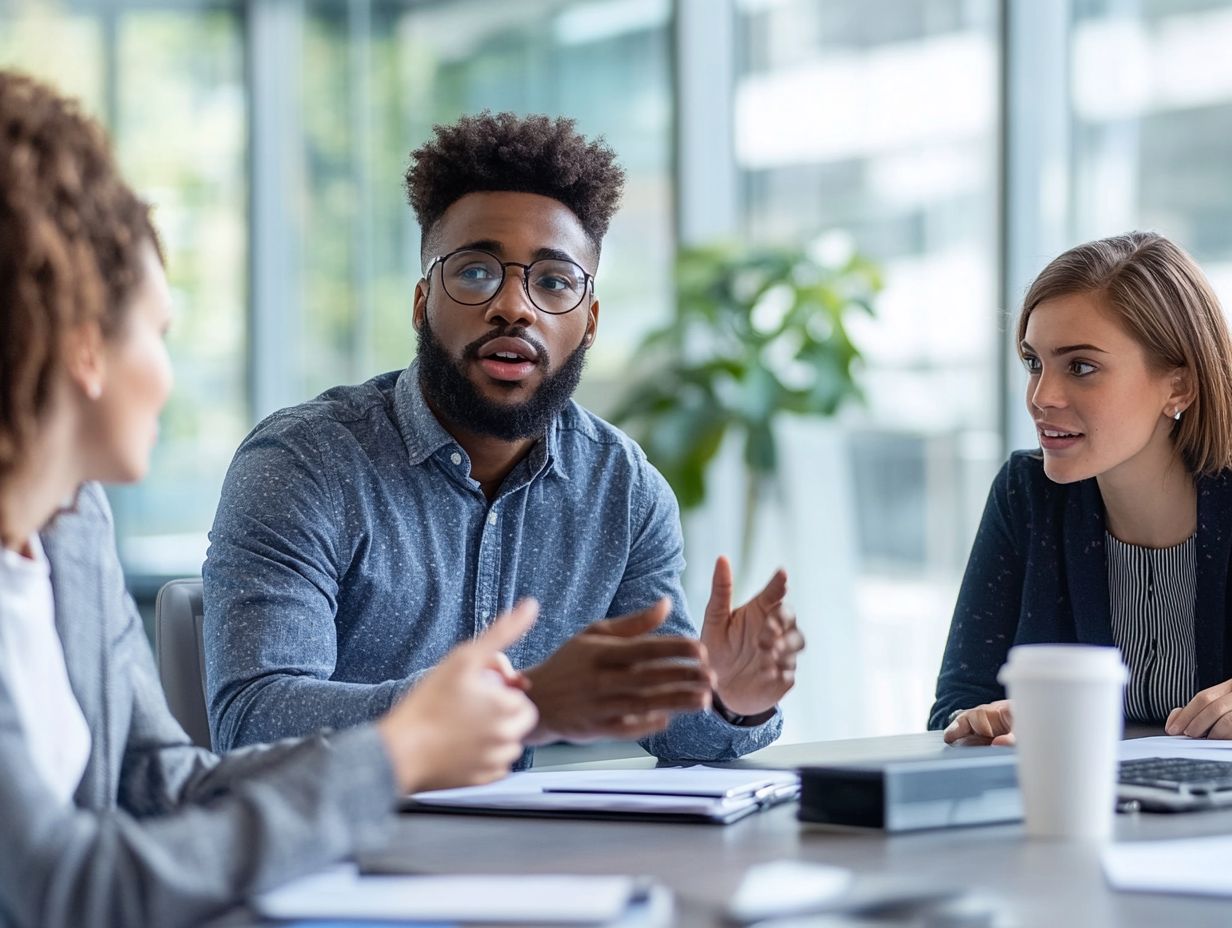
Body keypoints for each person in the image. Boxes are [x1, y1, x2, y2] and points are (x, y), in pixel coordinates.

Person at [0, 72, 539, 928]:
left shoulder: (70, 526)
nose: (170, 377)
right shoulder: (305, 457)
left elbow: (156, 782)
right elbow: (68, 890)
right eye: (161, 333)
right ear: (86, 348)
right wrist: (396, 755)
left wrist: (399, 750)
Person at [203, 112, 805, 762]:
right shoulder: (303, 465)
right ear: (420, 301)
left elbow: (673, 726)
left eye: (553, 282)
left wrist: (727, 695)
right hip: (350, 847)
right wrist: (522, 703)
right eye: (475, 272)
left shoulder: (626, 492)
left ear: (590, 321)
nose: (514, 306)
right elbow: (256, 721)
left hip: (541, 853)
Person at [931, 231, 1232, 745]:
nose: (1041, 396)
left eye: (1082, 367)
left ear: (1178, 385)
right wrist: (992, 721)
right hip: (1075, 807)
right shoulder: (1025, 495)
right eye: (1034, 363)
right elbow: (957, 707)